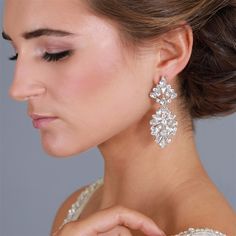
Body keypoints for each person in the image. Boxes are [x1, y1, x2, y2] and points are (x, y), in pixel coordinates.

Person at [2, 0, 236, 235]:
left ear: (168, 52)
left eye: (55, 53)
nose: (18, 89)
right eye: (15, 54)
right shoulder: (78, 212)